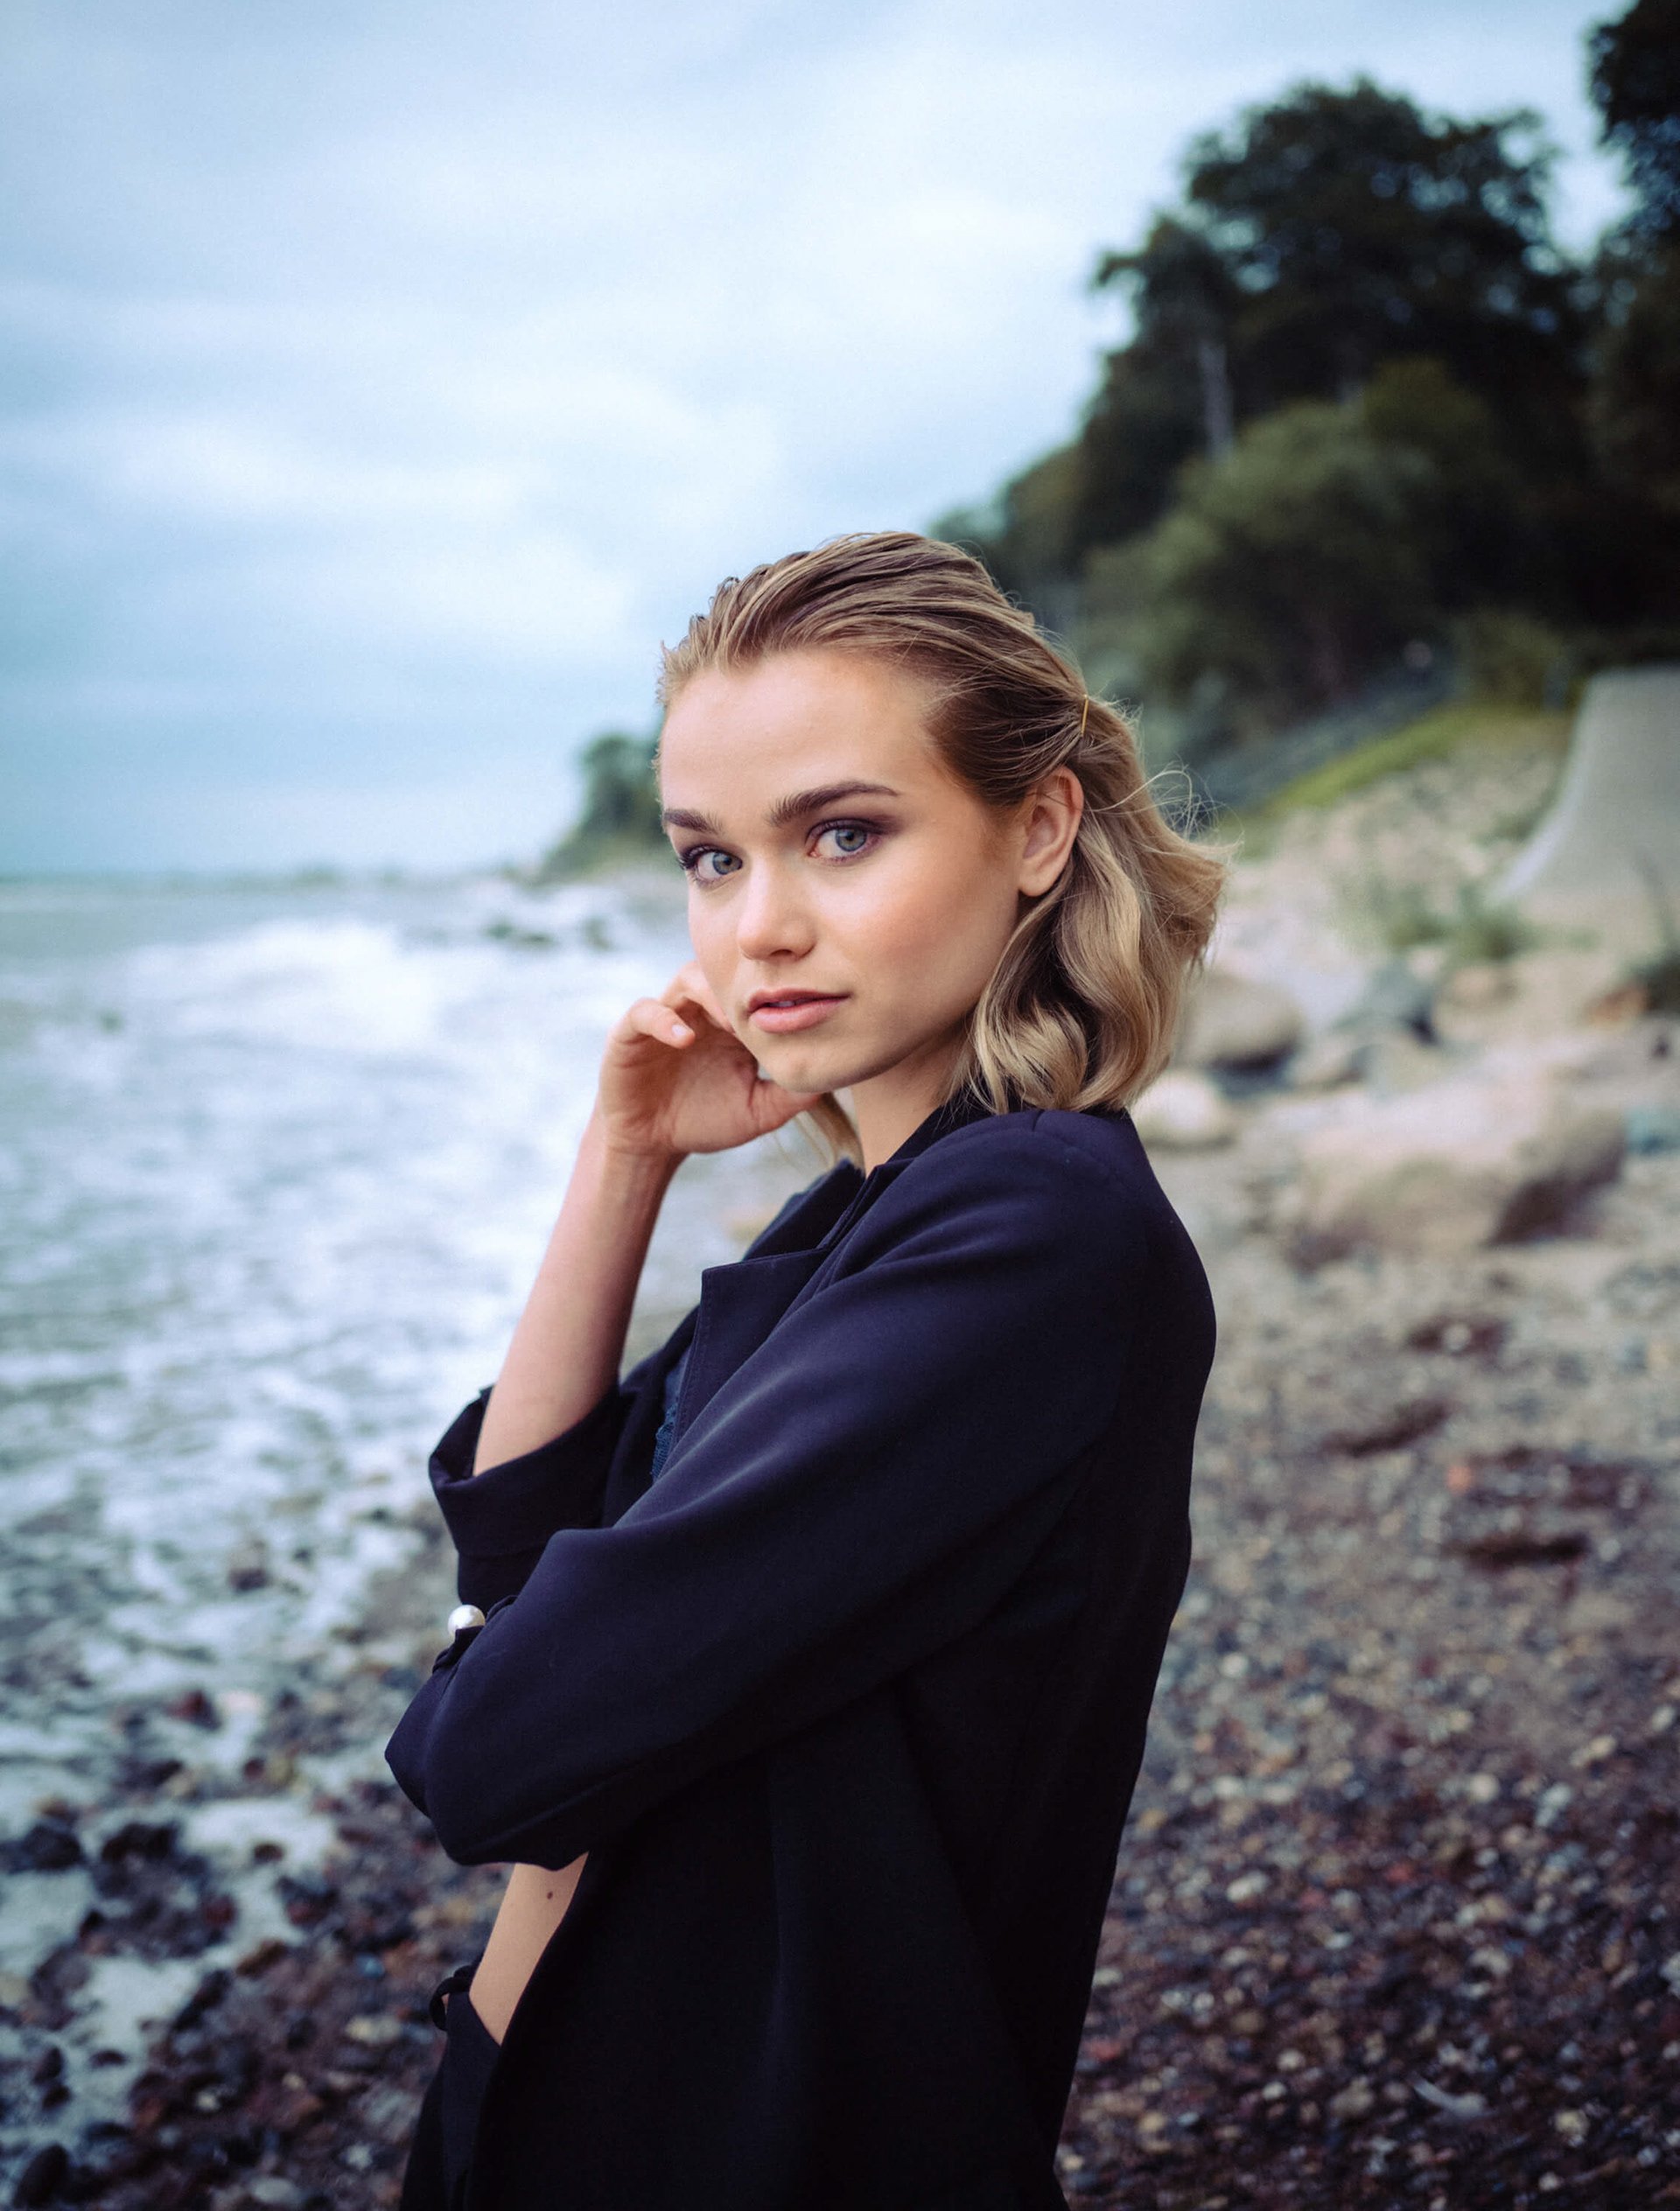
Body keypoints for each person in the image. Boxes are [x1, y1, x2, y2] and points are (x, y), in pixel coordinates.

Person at [387, 530, 1224, 2211]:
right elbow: (519, 1570)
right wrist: (623, 1163)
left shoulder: (1025, 1242)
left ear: (1041, 829)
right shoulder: (863, 1223)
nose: (759, 929)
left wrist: (506, 1688)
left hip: (755, 2139)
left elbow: (487, 1755)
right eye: (710, 860)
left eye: (844, 836)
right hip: (578, 2094)